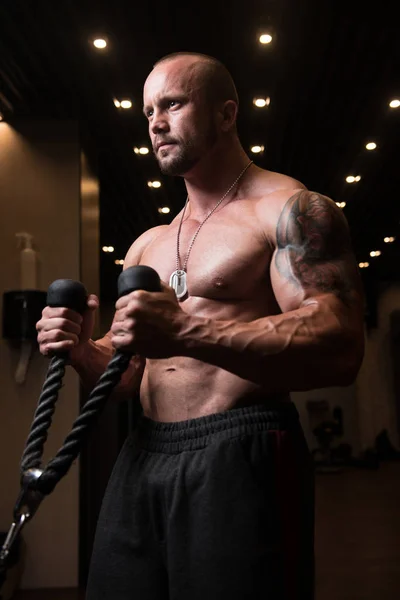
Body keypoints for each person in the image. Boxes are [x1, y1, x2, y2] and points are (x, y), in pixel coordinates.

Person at [37, 52, 365, 599]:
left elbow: (340, 343)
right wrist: (81, 351)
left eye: (173, 104)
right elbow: (129, 378)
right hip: (144, 453)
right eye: (147, 113)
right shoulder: (149, 244)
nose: (156, 124)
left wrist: (187, 332)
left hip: (243, 447)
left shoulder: (290, 209)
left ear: (226, 114)